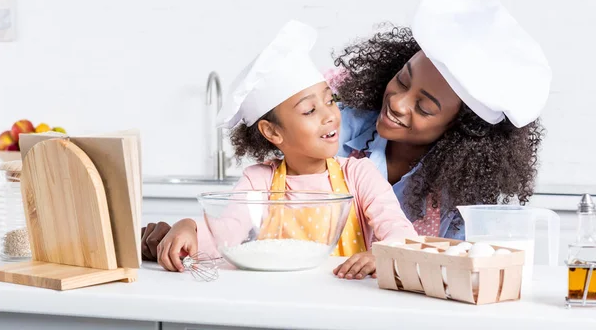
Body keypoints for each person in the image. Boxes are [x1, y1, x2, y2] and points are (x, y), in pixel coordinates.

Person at [142, 20, 417, 280]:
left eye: (329, 100)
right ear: (272, 131)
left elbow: (398, 229)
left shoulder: (359, 175)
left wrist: (386, 253)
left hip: (345, 295)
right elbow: (225, 235)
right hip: (276, 297)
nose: (330, 116)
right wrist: (189, 227)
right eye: (310, 110)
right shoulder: (259, 181)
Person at [330, 0, 551, 239]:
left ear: (457, 128)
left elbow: (457, 267)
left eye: (424, 108)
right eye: (402, 80)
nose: (398, 103)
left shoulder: (463, 197)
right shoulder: (336, 129)